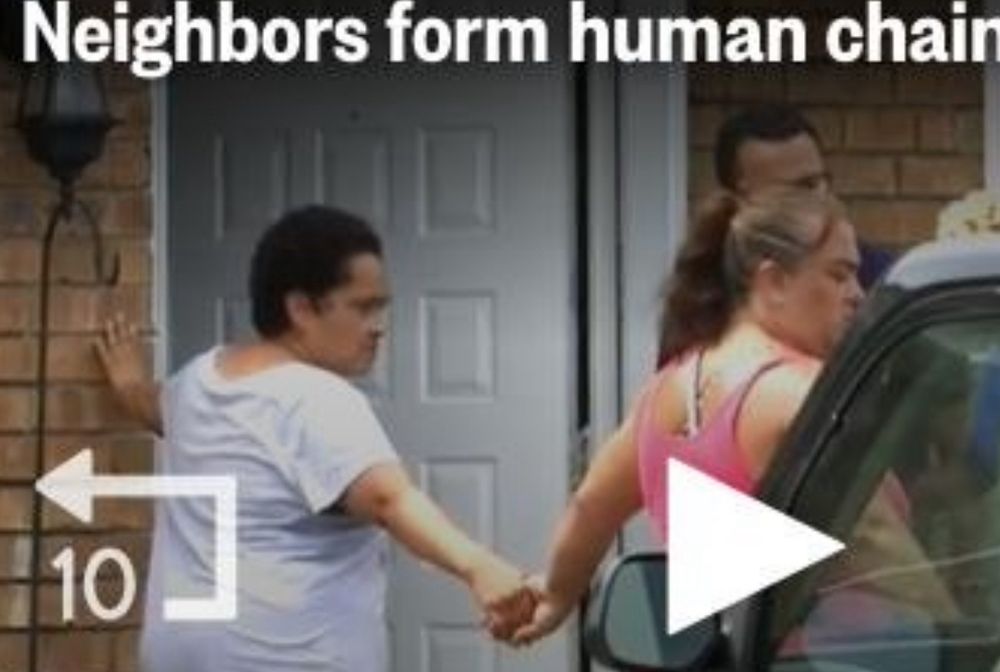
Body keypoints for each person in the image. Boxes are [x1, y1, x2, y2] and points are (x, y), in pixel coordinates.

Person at [96, 206, 530, 672]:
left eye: (380, 307)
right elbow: (389, 500)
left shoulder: (201, 381)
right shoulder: (317, 399)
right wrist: (479, 567)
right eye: (362, 307)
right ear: (301, 308)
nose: (378, 325)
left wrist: (127, 384)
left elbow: (152, 408)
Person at [508, 187, 864, 645]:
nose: (858, 294)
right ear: (773, 281)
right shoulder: (801, 391)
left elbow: (591, 505)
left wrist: (558, 595)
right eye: (839, 275)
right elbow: (885, 544)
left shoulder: (662, 393)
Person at [655, 105, 892, 366]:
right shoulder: (701, 295)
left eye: (817, 183)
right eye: (793, 193)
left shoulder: (879, 279)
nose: (816, 199)